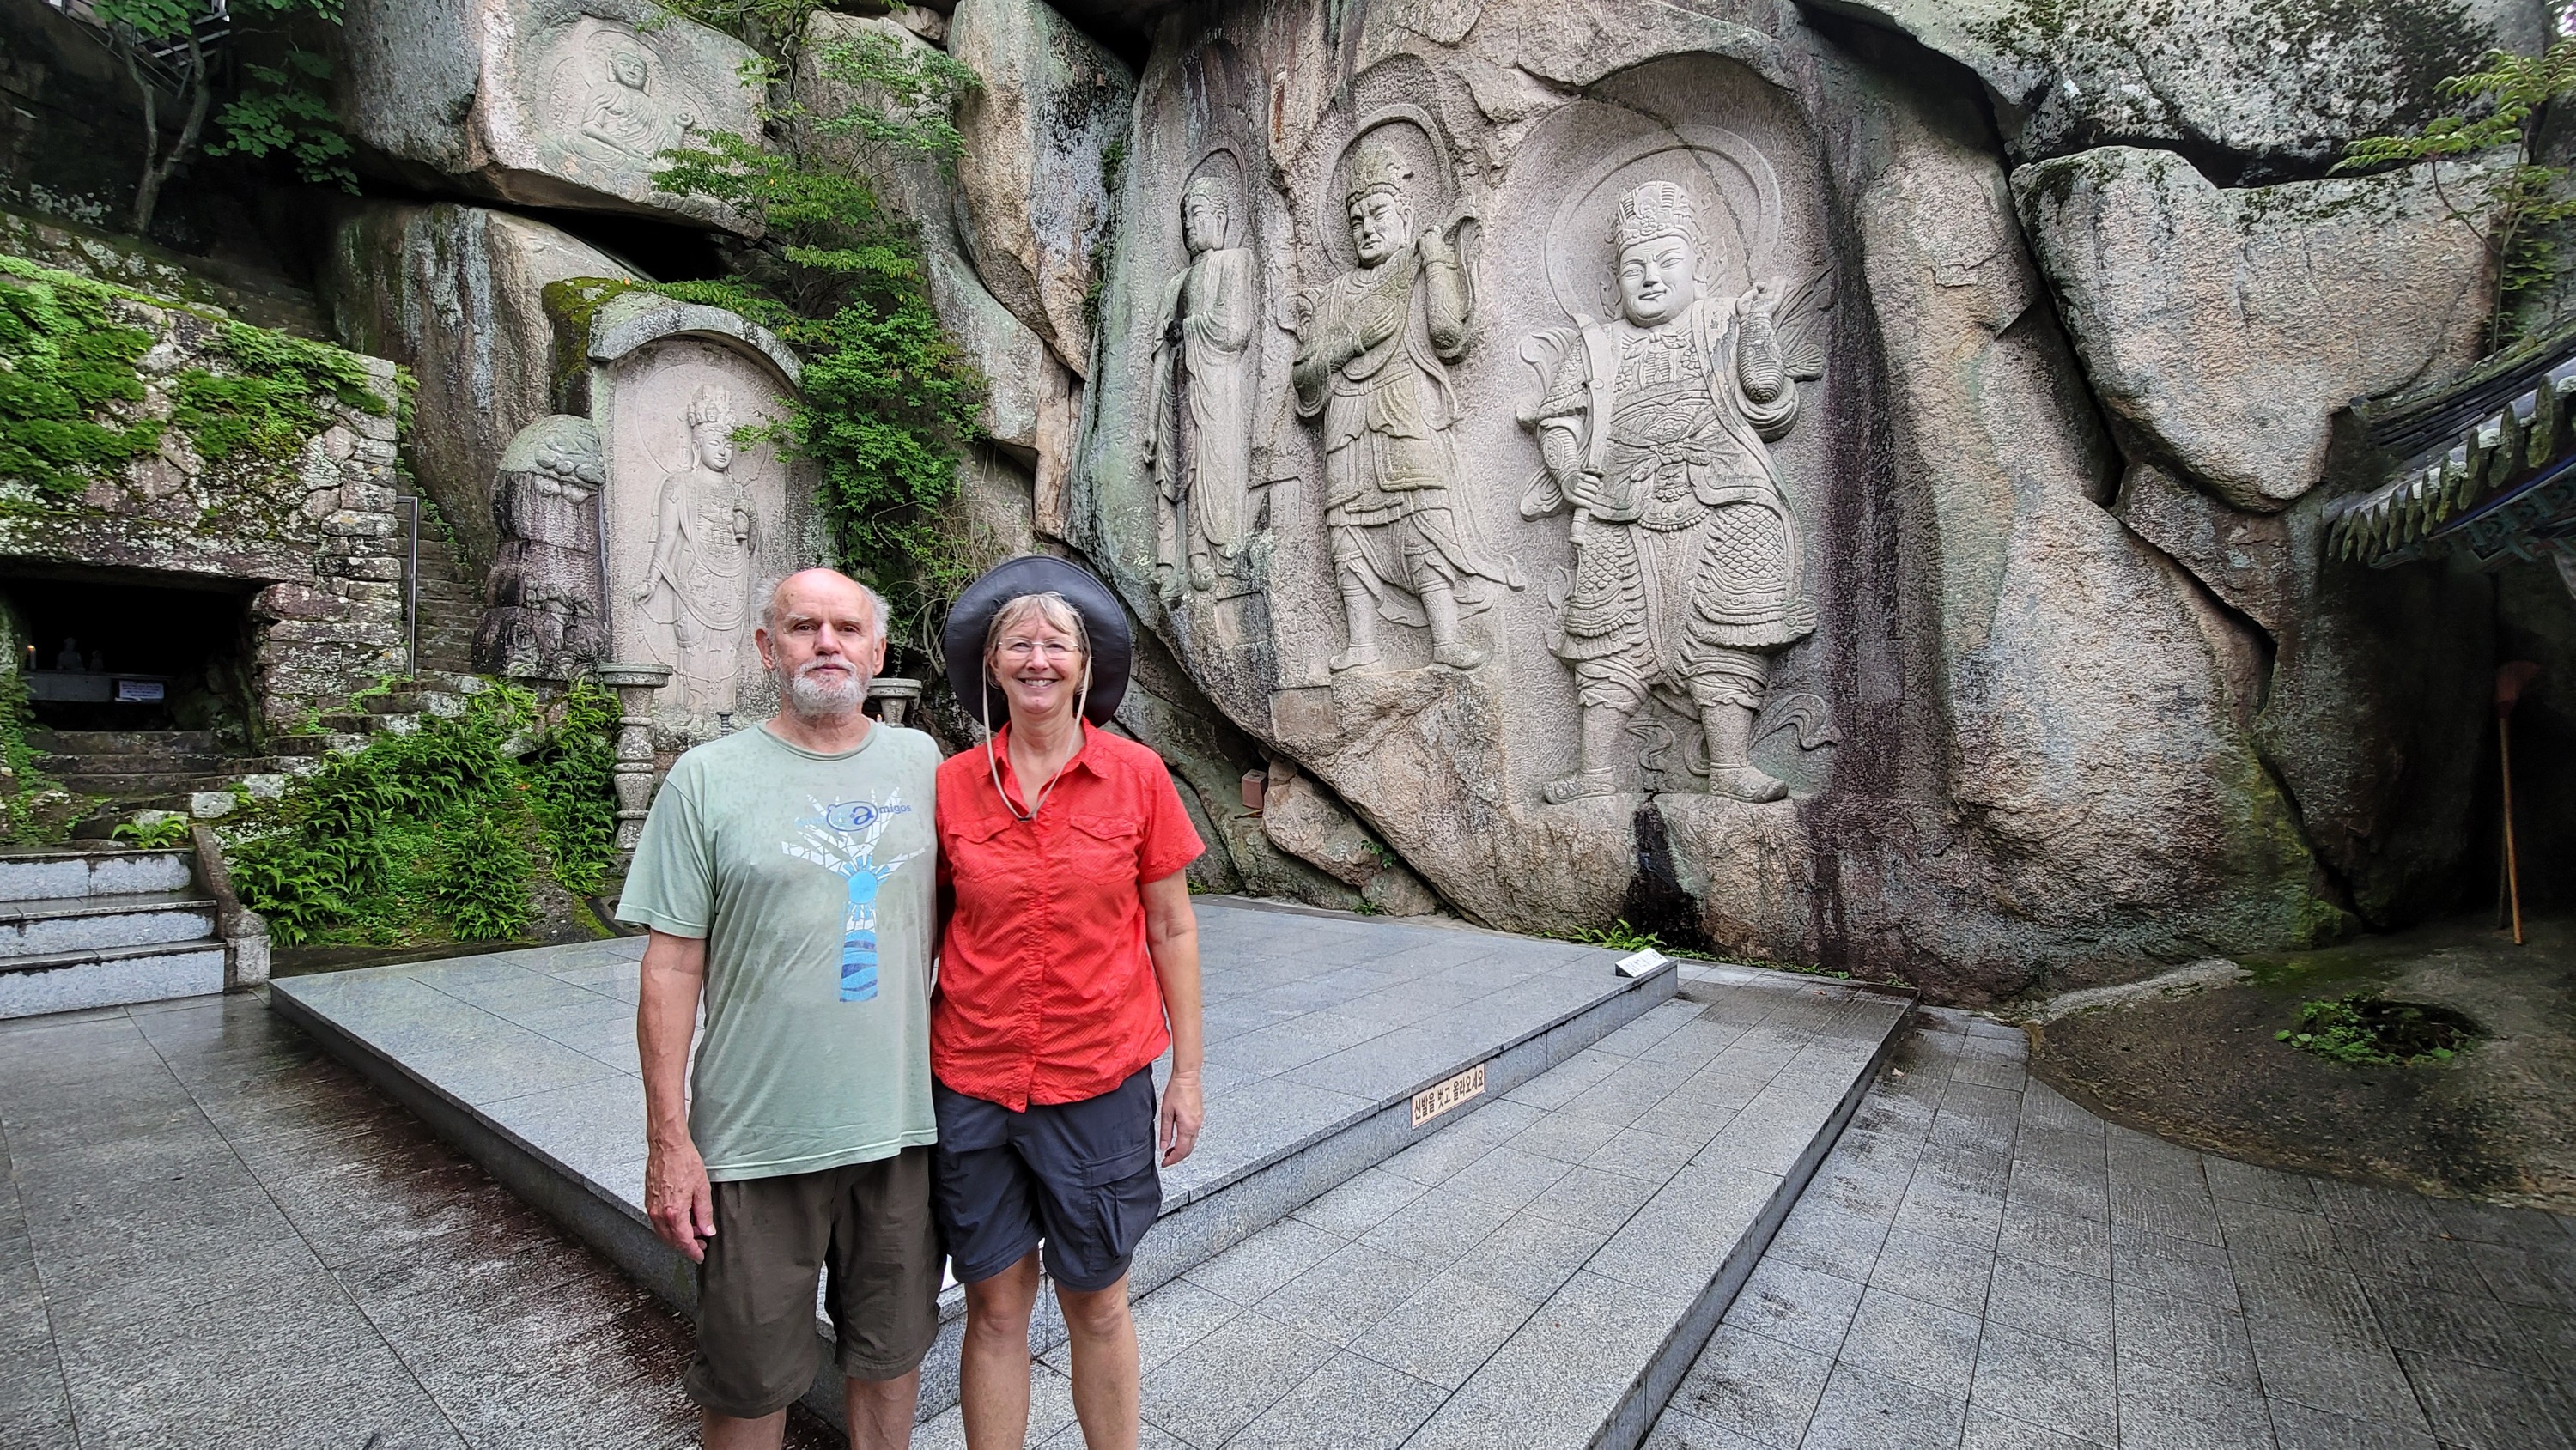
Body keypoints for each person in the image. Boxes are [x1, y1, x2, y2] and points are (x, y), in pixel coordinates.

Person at [617, 567, 942, 1450]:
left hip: (899, 1133)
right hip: (756, 1144)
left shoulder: (924, 766)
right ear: (767, 648)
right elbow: (670, 967)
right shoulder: (707, 779)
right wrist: (668, 1139)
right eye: (803, 626)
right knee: (748, 1379)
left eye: (847, 628)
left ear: (878, 650)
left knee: (892, 1358)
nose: (827, 643)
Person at [933, 565, 1207, 1450]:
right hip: (973, 1079)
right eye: (1019, 643)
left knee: (1096, 1301)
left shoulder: (1138, 775)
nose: (1038, 659)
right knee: (994, 1306)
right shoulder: (951, 785)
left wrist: (1188, 1073)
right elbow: (924, 928)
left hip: (1097, 1080)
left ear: (1085, 666)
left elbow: (1171, 928)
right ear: (992, 665)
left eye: (1057, 644)